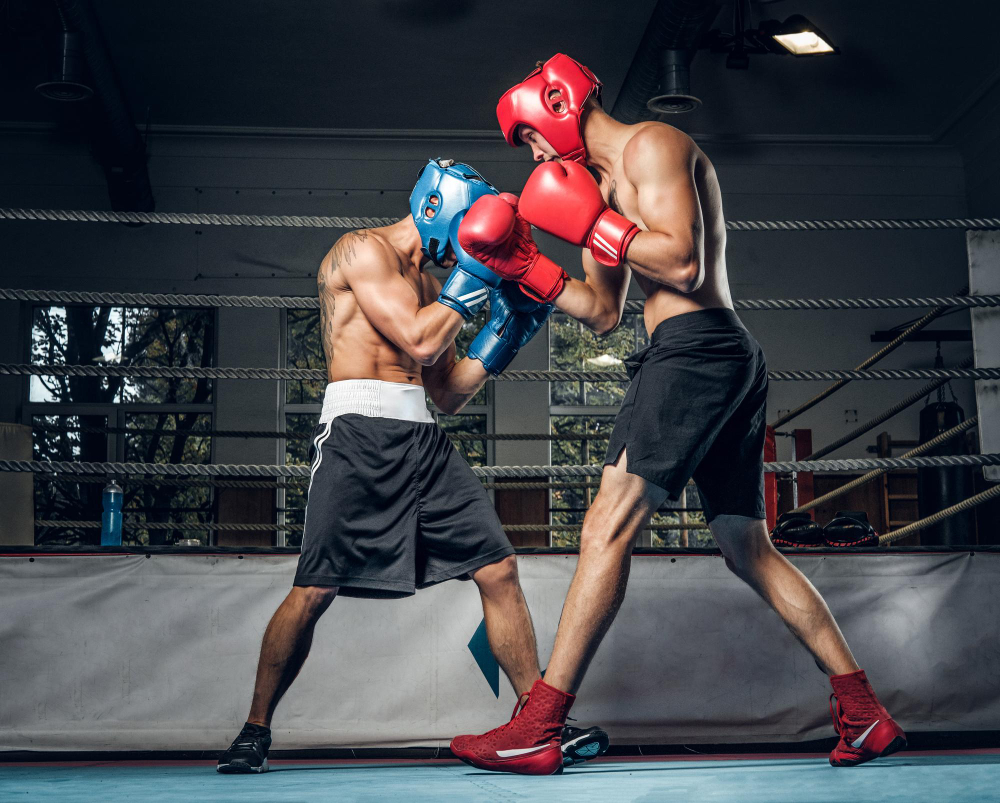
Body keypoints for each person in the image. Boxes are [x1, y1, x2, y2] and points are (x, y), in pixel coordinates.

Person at [450, 54, 906, 775]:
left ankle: (538, 723)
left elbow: (684, 264)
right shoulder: (598, 187)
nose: (533, 155)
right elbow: (602, 313)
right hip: (713, 354)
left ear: (559, 102)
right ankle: (863, 709)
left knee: (606, 522)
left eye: (530, 137)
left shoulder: (652, 145)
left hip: (698, 349)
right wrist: (524, 267)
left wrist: (594, 222)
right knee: (746, 546)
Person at [217, 158, 608, 773]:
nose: (467, 256)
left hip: (421, 439)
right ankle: (254, 728)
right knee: (316, 588)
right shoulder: (359, 252)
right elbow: (421, 341)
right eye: (470, 240)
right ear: (440, 212)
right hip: (356, 433)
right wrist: (475, 277)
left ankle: (536, 719)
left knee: (498, 568)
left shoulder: (432, 288)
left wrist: (502, 338)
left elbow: (448, 390)